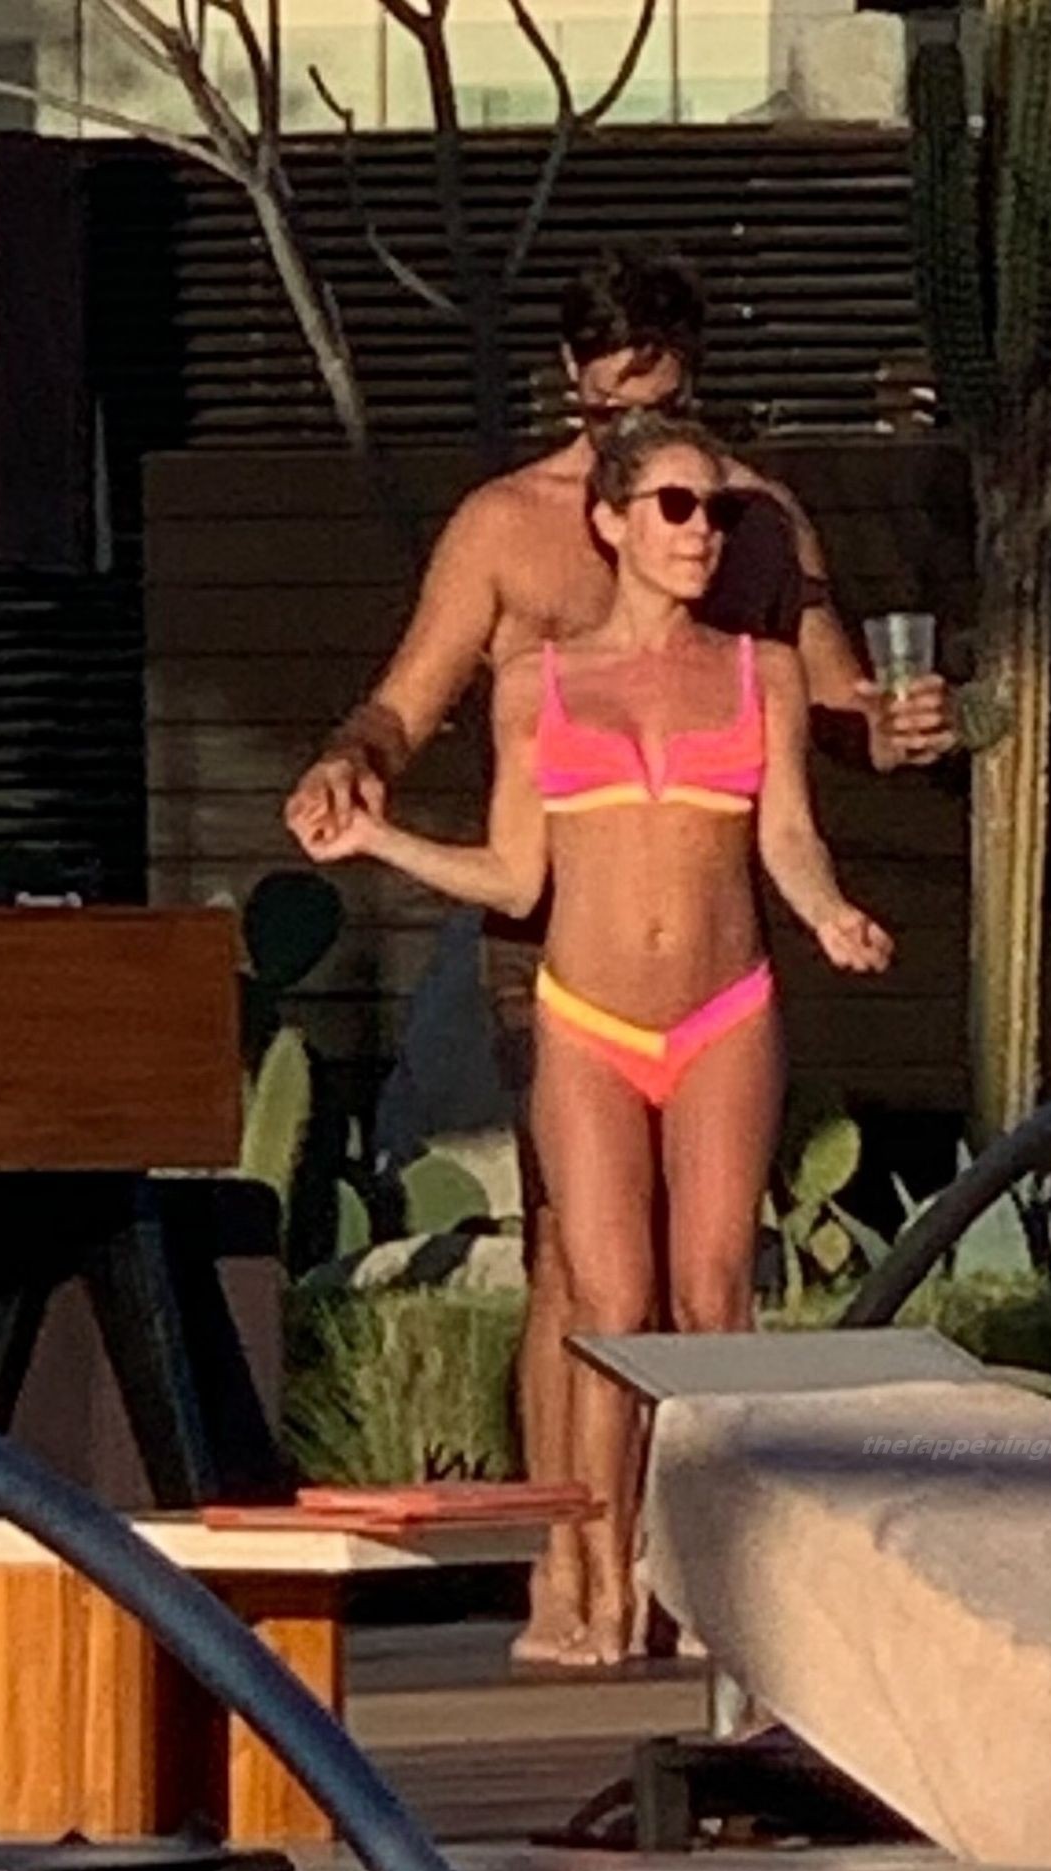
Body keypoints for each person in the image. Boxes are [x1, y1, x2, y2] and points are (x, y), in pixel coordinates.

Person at [285, 245, 956, 1660]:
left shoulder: (751, 523)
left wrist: (892, 734)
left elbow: (829, 708)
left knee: (707, 1279)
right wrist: (355, 767)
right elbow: (408, 698)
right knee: (576, 1264)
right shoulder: (507, 527)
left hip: (710, 931)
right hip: (547, 930)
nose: (633, 435)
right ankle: (570, 1564)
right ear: (571, 388)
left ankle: (682, 1561)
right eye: (606, 411)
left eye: (655, 403)